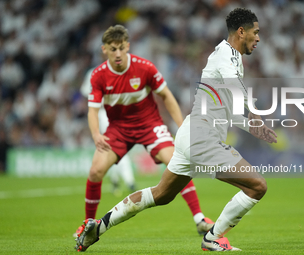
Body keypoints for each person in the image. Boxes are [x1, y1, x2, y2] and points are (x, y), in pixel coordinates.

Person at [74, 8, 277, 252]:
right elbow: (234, 85)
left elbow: (226, 109)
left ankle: (98, 227)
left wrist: (251, 125)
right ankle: (213, 238)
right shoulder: (224, 53)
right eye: (255, 33)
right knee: (257, 186)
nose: (258, 38)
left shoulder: (232, 59)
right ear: (241, 32)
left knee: (160, 195)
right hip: (202, 138)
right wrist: (253, 109)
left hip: (192, 134)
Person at [74, 25, 214, 238]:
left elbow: (166, 95)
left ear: (128, 46)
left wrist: (183, 126)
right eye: (113, 49)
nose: (118, 53)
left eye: (121, 48)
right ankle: (87, 225)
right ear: (104, 50)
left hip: (149, 125)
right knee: (95, 171)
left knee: (177, 161)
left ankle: (199, 218)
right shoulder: (98, 76)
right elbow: (93, 111)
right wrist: (95, 133)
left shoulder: (145, 68)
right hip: (118, 129)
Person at [80, 64, 136, 197]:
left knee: (112, 148)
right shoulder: (95, 73)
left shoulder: (95, 72)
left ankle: (116, 180)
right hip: (103, 114)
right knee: (119, 146)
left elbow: (84, 92)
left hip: (114, 114)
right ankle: (130, 182)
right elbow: (85, 93)